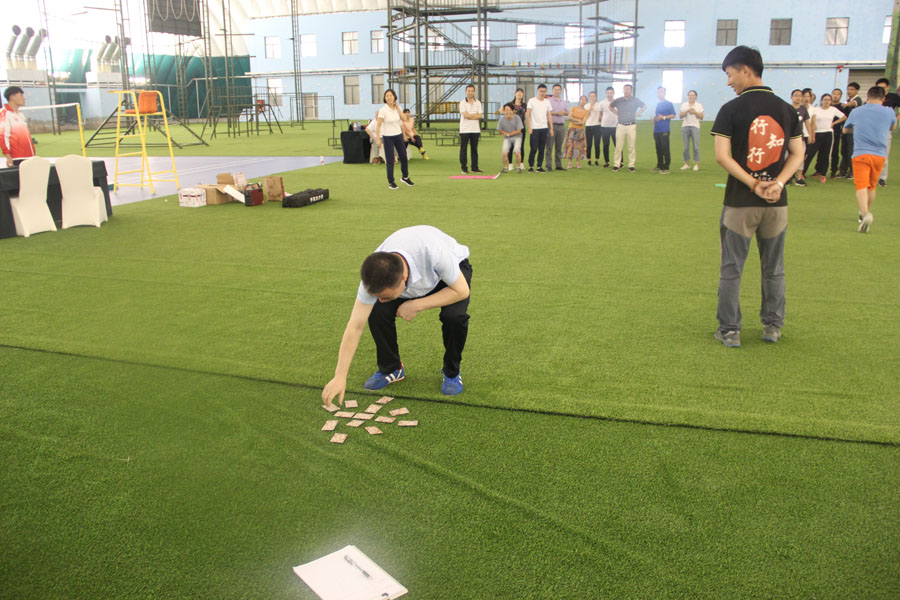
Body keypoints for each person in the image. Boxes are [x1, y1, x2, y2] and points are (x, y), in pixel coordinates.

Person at [711, 45, 804, 348]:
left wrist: (754, 183)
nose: (729, 81)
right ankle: (772, 326)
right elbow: (798, 153)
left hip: (740, 203)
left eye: (730, 74)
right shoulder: (787, 110)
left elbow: (722, 156)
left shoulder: (730, 109)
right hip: (776, 205)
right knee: (774, 268)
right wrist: (778, 183)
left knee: (731, 269)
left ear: (745, 70)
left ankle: (730, 330)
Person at [321, 225, 472, 403]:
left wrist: (417, 305)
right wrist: (340, 376)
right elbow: (355, 327)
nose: (382, 299)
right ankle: (392, 368)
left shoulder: (435, 253)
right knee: (377, 310)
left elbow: (462, 291)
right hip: (411, 275)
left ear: (404, 278)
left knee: (454, 317)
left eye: (387, 296)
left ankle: (452, 373)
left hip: (449, 275)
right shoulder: (373, 276)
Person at [841, 86, 896, 233]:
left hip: (861, 153)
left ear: (867, 96)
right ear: (883, 98)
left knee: (861, 186)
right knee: (872, 186)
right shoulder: (889, 111)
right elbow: (893, 127)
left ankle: (865, 214)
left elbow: (845, 129)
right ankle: (864, 212)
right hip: (880, 155)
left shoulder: (857, 111)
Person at [375, 89, 414, 190]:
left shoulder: (398, 108)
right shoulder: (383, 110)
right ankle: (391, 182)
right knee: (390, 160)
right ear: (385, 98)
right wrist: (378, 139)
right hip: (388, 137)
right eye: (387, 96)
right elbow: (378, 125)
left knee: (404, 156)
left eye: (391, 95)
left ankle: (405, 177)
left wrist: (398, 108)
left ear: (394, 97)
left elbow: (404, 118)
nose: (389, 97)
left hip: (398, 135)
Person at [803, 93, 846, 182]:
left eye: (828, 100)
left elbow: (844, 117)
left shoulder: (833, 109)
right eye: (825, 99)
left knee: (825, 154)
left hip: (828, 133)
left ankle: (823, 174)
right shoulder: (816, 109)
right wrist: (812, 133)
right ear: (821, 100)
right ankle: (802, 173)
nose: (826, 101)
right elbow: (812, 121)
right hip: (817, 133)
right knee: (810, 153)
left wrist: (833, 123)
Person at [610, 84, 645, 172]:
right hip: (621, 125)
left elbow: (644, 106)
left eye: (628, 89)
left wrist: (638, 113)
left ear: (631, 91)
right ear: (623, 90)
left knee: (631, 147)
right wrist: (617, 113)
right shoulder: (619, 100)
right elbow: (610, 106)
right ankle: (616, 164)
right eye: (625, 89)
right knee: (618, 147)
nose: (626, 91)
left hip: (631, 126)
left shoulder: (635, 100)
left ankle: (631, 165)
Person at [1, 86, 35, 167]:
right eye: (21, 95)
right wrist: (8, 156)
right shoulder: (5, 114)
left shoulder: (20, 114)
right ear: (12, 97)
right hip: (17, 158)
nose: (24, 98)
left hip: (29, 156)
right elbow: (3, 136)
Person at [875, 78, 899, 187]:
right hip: (873, 129)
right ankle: (872, 177)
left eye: (883, 87)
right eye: (879, 87)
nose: (881, 89)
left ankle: (882, 178)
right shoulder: (874, 97)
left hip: (886, 129)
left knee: (884, 155)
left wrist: (896, 118)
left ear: (888, 87)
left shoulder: (893, 97)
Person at [837, 82, 863, 178]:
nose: (849, 91)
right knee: (844, 150)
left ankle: (852, 172)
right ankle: (843, 171)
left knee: (851, 150)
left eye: (852, 89)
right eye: (848, 89)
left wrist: (847, 104)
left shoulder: (857, 100)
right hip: (845, 128)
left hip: (853, 130)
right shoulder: (847, 100)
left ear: (857, 90)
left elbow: (854, 103)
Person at [525, 84, 554, 172]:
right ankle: (531, 166)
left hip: (544, 128)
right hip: (534, 128)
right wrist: (529, 127)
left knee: (542, 148)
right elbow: (528, 114)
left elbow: (549, 116)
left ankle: (539, 166)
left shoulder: (547, 102)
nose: (542, 93)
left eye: (544, 91)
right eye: (541, 91)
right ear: (537, 91)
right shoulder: (532, 101)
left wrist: (551, 128)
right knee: (533, 148)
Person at [459, 84, 483, 174]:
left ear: (474, 92)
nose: (470, 92)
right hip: (464, 129)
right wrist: (474, 115)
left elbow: (480, 115)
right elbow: (466, 115)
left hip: (475, 129)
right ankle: (464, 168)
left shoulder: (478, 102)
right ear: (466, 92)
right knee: (463, 149)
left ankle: (474, 167)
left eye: (472, 91)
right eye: (468, 91)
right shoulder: (462, 102)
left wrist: (471, 116)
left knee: (474, 149)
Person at [788, 89, 810, 186]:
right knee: (786, 157)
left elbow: (807, 122)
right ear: (791, 97)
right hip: (788, 137)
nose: (798, 98)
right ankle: (787, 177)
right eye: (796, 95)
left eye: (800, 96)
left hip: (800, 137)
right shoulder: (787, 108)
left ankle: (799, 178)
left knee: (800, 157)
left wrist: (811, 134)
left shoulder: (803, 109)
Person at [652, 86, 676, 174]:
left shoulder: (669, 104)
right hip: (656, 130)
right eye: (658, 92)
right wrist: (654, 119)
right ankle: (659, 165)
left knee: (665, 148)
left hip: (664, 129)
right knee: (658, 148)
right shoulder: (658, 104)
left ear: (665, 93)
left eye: (661, 92)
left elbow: (673, 115)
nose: (660, 94)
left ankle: (666, 167)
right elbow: (657, 115)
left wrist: (664, 117)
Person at [545, 84, 568, 171]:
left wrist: (564, 113)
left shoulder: (563, 102)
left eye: (558, 90)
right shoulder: (548, 101)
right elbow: (546, 112)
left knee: (559, 147)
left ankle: (558, 165)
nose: (557, 91)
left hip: (561, 126)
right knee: (549, 146)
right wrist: (556, 113)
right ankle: (548, 165)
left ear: (561, 91)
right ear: (552, 91)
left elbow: (567, 112)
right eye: (555, 89)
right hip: (551, 125)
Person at [680, 89, 704, 170]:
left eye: (693, 95)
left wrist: (695, 112)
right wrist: (687, 111)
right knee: (685, 147)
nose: (691, 97)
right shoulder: (684, 105)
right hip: (685, 126)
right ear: (687, 96)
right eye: (690, 95)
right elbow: (680, 116)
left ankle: (696, 164)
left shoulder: (699, 105)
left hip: (695, 126)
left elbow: (701, 117)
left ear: (696, 96)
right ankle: (687, 163)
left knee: (696, 147)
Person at [497, 102, 524, 173]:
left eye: (509, 110)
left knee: (517, 152)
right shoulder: (502, 119)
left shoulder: (517, 118)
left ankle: (518, 168)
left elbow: (519, 130)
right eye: (506, 110)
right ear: (504, 111)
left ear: (512, 111)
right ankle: (505, 168)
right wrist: (505, 133)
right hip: (507, 138)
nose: (507, 112)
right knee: (504, 153)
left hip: (517, 137)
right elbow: (499, 129)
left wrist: (509, 134)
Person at [565, 95, 589, 169]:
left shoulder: (586, 111)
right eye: (582, 99)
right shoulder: (573, 108)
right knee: (570, 145)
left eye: (585, 100)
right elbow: (569, 118)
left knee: (578, 146)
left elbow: (583, 122)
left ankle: (578, 162)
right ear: (579, 100)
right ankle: (570, 162)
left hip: (580, 130)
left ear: (586, 102)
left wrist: (574, 121)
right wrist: (578, 120)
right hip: (571, 129)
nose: (583, 101)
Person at [507, 88, 528, 167]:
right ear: (515, 94)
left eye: (521, 93)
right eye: (518, 92)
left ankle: (521, 163)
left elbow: (526, 115)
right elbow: (501, 110)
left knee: (521, 146)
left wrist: (526, 123)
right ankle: (510, 164)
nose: (519, 94)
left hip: (521, 128)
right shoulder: (510, 104)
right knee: (511, 146)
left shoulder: (525, 105)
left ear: (523, 95)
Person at [597, 86, 617, 167]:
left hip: (615, 126)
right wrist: (601, 120)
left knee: (617, 145)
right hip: (605, 126)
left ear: (614, 93)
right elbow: (600, 114)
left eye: (611, 93)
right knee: (605, 145)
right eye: (608, 93)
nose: (609, 94)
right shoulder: (602, 103)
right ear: (606, 93)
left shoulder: (617, 102)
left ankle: (620, 162)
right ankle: (606, 162)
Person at [584, 91, 602, 166]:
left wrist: (601, 118)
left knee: (597, 144)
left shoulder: (599, 105)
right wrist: (591, 107)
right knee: (589, 144)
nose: (592, 97)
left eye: (594, 96)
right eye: (591, 96)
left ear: (596, 97)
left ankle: (596, 160)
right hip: (588, 126)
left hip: (597, 126)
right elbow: (586, 115)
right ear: (589, 97)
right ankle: (588, 160)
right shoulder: (586, 105)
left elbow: (601, 113)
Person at [829, 88, 844, 177]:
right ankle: (819, 170)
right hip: (824, 131)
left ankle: (833, 171)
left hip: (836, 132)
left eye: (838, 94)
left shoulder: (842, 107)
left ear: (841, 96)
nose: (835, 96)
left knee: (835, 152)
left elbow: (844, 117)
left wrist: (834, 123)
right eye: (834, 93)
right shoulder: (827, 106)